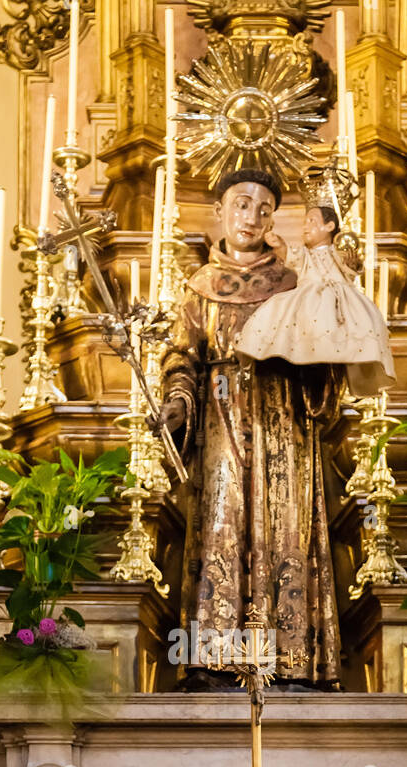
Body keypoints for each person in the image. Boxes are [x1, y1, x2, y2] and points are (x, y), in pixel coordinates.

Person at [158, 169, 342, 688]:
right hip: (219, 422)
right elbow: (180, 356)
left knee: (284, 525)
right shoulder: (198, 289)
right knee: (221, 521)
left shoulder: (294, 285)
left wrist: (321, 363)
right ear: (219, 211)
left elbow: (321, 352)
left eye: (264, 208)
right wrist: (177, 401)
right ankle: (216, 660)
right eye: (241, 204)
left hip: (281, 422)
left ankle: (288, 662)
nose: (252, 217)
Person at [236, 203, 395, 398]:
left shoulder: (339, 252)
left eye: (312, 221)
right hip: (308, 300)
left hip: (339, 303)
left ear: (329, 226)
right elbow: (286, 253)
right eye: (305, 222)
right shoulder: (304, 255)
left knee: (349, 330)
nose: (305, 227)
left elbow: (351, 267)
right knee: (287, 317)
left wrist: (352, 262)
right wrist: (275, 242)